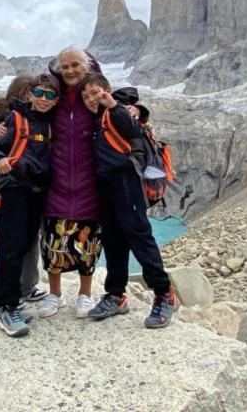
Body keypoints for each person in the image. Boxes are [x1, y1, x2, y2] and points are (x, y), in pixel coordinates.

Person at [80, 72, 179, 329]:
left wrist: (114, 105)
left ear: (106, 92)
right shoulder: (94, 118)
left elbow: (133, 129)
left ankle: (164, 293)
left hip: (126, 180)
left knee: (138, 235)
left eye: (95, 92)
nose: (91, 98)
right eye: (86, 95)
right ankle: (116, 295)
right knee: (113, 239)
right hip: (106, 185)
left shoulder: (116, 111)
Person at [0, 74, 59, 337]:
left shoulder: (51, 125)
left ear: (56, 100)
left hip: (37, 193)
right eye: (39, 93)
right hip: (14, 189)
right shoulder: (15, 119)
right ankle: (4, 306)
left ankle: (7, 303)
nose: (43, 99)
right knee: (10, 248)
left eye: (50, 95)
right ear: (30, 94)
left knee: (25, 245)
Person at [38, 47, 103, 319]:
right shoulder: (53, 94)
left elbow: (121, 106)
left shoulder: (96, 93)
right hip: (57, 180)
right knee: (53, 242)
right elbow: (25, 107)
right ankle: (55, 295)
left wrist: (137, 111)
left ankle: (85, 296)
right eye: (65, 66)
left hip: (90, 182)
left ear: (86, 66)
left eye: (75, 65)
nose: (70, 71)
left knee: (89, 245)